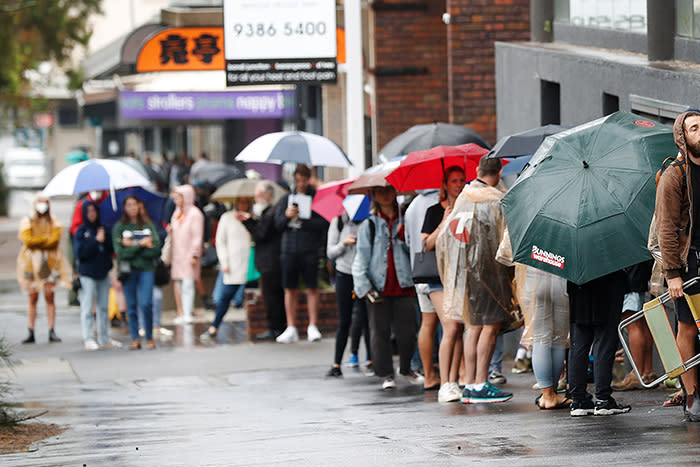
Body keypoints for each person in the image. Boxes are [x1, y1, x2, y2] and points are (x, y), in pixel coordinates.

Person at [448, 157, 514, 404]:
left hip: (465, 270)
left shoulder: (465, 195)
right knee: (490, 326)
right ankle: (481, 383)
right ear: (498, 173)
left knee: (473, 326)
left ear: (477, 170)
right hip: (489, 270)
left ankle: (470, 384)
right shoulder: (493, 199)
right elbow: (503, 237)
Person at [352, 185, 423, 390]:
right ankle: (386, 373)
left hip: (404, 283)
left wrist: (404, 237)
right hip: (378, 285)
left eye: (388, 190)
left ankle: (407, 368)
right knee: (379, 332)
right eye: (379, 191)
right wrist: (363, 286)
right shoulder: (369, 225)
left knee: (407, 331)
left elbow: (416, 250)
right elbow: (362, 256)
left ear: (396, 193)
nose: (384, 195)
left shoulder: (406, 220)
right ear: (373, 196)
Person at [655, 109, 700, 421]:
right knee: (687, 326)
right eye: (695, 128)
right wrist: (673, 274)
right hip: (690, 261)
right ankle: (692, 394)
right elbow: (667, 229)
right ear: (683, 138)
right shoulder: (675, 175)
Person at [421, 166, 467, 402]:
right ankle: (446, 382)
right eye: (454, 181)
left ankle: (455, 381)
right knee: (449, 327)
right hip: (437, 279)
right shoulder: (432, 211)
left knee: (458, 327)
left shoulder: (467, 210)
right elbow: (426, 244)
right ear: (445, 185)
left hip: (459, 277)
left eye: (462, 180)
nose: (459, 185)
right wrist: (444, 222)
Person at [274, 165, 329, 343]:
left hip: (309, 249)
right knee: (290, 288)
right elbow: (277, 225)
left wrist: (304, 221)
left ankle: (313, 325)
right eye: (298, 180)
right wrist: (287, 216)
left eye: (304, 180)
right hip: (289, 248)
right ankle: (291, 326)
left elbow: (323, 223)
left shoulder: (317, 198)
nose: (301, 184)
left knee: (312, 287)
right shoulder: (285, 199)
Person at [567, 270, 630, 416]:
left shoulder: (572, 248)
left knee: (579, 344)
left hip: (578, 286)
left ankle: (578, 400)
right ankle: (603, 399)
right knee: (604, 343)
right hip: (608, 286)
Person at [324, 206, 371, 378]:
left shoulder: (368, 222)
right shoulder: (337, 223)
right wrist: (344, 244)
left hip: (363, 274)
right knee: (344, 320)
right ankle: (336, 364)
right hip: (344, 274)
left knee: (367, 319)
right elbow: (330, 252)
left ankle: (371, 361)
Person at [17, 196, 70, 344]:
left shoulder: (54, 221)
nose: (42, 207)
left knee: (49, 296)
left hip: (48, 263)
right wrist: (44, 239)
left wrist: (38, 241)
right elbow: (27, 240)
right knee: (32, 296)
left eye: (45, 203)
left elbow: (54, 240)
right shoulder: (27, 220)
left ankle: (51, 330)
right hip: (30, 264)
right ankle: (31, 330)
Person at [113, 195, 161, 350]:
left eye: (135, 204)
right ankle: (135, 337)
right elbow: (121, 253)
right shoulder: (120, 227)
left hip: (146, 269)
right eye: (129, 205)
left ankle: (149, 336)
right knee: (131, 305)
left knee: (146, 303)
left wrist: (131, 245)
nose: (132, 208)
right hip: (129, 271)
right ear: (125, 208)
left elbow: (155, 250)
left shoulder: (148, 225)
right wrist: (141, 244)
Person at [201, 197, 252, 342]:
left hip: (251, 263)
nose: (244, 205)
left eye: (246, 202)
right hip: (233, 263)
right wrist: (224, 261)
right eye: (241, 202)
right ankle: (215, 325)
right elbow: (220, 241)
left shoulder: (253, 218)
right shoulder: (227, 218)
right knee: (225, 296)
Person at [241, 181, 286, 340]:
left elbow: (261, 234)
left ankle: (276, 328)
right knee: (270, 296)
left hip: (271, 262)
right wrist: (250, 221)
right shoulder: (266, 214)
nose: (257, 199)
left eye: (259, 195)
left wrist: (247, 223)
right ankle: (275, 327)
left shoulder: (271, 213)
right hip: (267, 261)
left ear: (268, 196)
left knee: (273, 297)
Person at [74, 200, 115, 350]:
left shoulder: (103, 228)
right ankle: (88, 337)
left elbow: (111, 249)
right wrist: (94, 241)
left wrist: (105, 239)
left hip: (103, 272)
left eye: (94, 211)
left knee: (103, 307)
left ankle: (104, 337)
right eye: (89, 211)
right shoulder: (81, 231)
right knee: (87, 307)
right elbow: (79, 253)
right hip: (87, 274)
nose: (92, 214)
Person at [612, 260, 655, 391]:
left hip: (630, 277)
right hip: (640, 274)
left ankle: (637, 373)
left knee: (632, 323)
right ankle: (647, 371)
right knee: (641, 323)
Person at [169, 185, 204, 325]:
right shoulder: (177, 212)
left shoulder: (195, 214)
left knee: (189, 284)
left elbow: (197, 236)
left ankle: (188, 312)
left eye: (178, 197)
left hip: (189, 254)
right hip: (178, 254)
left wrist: (195, 254)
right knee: (180, 284)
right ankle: (182, 312)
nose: (176, 200)